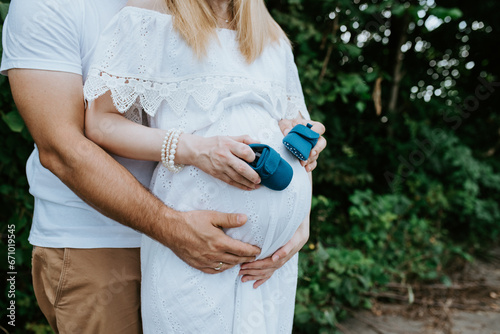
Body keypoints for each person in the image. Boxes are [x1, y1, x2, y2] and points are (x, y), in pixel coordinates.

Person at [1, 0, 326, 333]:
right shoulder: (52, 6)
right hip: (100, 243)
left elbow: (288, 122)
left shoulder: (253, 25)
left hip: (241, 260)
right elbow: (61, 148)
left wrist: (298, 219)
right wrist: (173, 227)